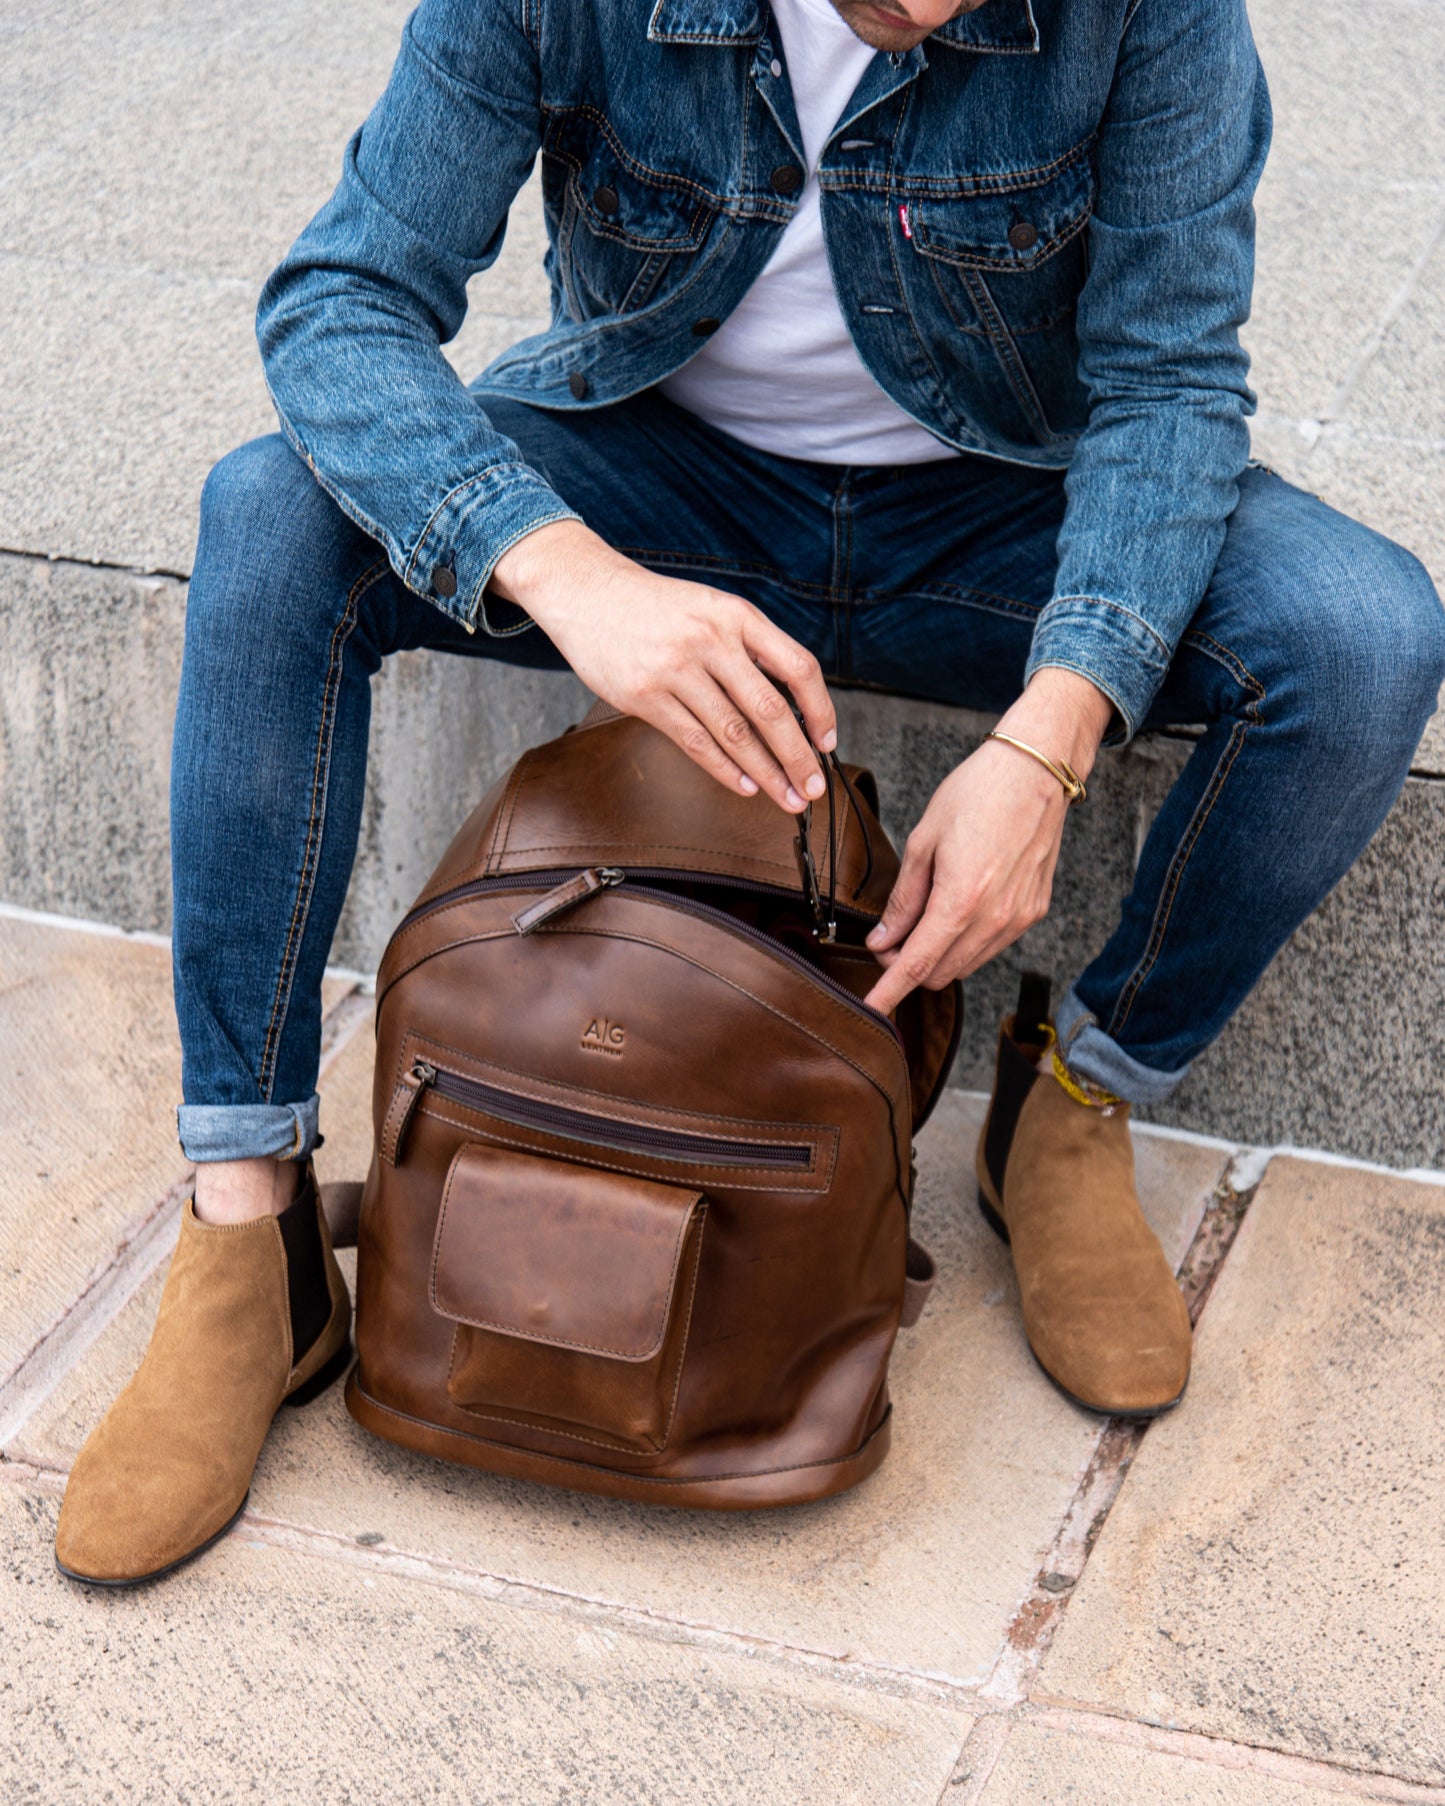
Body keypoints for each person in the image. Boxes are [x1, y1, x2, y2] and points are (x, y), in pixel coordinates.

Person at [56, 0, 1445, 1586]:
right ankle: (251, 1232)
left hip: (1004, 503)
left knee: (1357, 636)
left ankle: (1074, 1100)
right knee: (267, 516)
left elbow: (1170, 387)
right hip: (659, 478)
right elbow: (341, 302)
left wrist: (1054, 734)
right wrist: (567, 573)